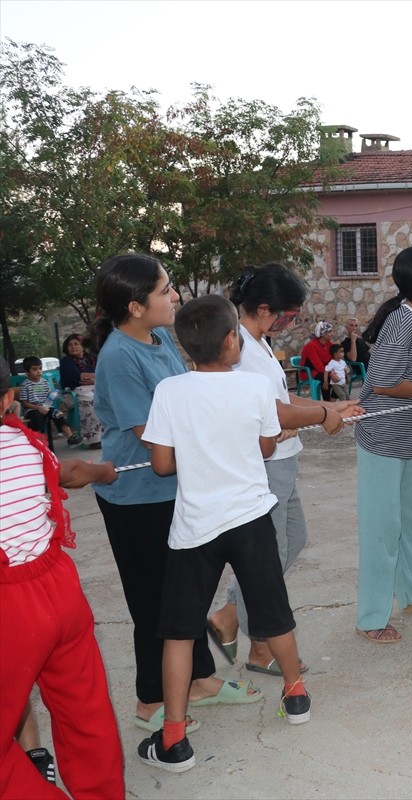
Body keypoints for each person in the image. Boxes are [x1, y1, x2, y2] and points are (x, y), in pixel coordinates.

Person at [139, 294, 310, 772]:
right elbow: (265, 446)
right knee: (275, 613)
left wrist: (198, 451)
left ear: (186, 345)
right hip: (250, 517)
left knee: (178, 632)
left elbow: (161, 464)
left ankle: (174, 738)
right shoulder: (254, 387)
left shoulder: (169, 391)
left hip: (195, 527)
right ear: (232, 340)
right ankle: (296, 695)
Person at [91, 253, 251, 735]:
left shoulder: (160, 339)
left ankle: (199, 679)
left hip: (174, 489)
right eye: (164, 290)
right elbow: (152, 436)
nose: (175, 296)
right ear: (135, 307)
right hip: (136, 497)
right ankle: (149, 700)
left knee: (185, 590)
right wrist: (222, 445)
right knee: (152, 600)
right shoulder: (119, 357)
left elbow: (188, 405)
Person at [207, 263, 362, 677]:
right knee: (267, 557)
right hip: (265, 466)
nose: (290, 323)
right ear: (264, 309)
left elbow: (282, 398)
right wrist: (322, 417)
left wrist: (330, 406)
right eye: (288, 315)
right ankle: (260, 647)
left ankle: (229, 614)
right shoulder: (240, 349)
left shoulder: (258, 342)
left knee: (294, 539)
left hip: (283, 460)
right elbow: (271, 412)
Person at [0, 360, 125, 799]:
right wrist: (103, 471)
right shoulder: (25, 442)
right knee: (85, 711)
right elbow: (69, 473)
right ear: (9, 398)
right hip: (59, 587)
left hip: (9, 611)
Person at [354, 246, 412, 643]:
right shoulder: (402, 320)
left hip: (409, 438)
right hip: (382, 437)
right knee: (383, 526)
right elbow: (382, 383)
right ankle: (371, 616)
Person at [17, 357, 75, 451]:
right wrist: (38, 408)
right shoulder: (25, 385)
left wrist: (53, 396)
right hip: (32, 409)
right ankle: (40, 443)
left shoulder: (45, 382)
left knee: (58, 413)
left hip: (47, 408)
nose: (39, 371)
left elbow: (49, 396)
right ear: (27, 372)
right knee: (37, 417)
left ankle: (70, 437)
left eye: (40, 368)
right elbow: (24, 403)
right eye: (34, 369)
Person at [58, 333, 102, 448]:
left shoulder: (92, 358)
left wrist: (94, 379)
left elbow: (103, 372)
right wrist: (96, 377)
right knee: (91, 400)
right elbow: (80, 377)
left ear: (83, 346)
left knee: (108, 397)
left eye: (76, 344)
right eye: (70, 345)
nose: (73, 347)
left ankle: (107, 435)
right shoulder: (66, 362)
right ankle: (92, 440)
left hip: (93, 388)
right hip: (72, 393)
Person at [301, 321, 335, 400]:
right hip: (310, 372)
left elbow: (333, 360)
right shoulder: (311, 346)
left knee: (340, 374)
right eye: (330, 332)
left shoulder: (329, 344)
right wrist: (330, 373)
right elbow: (318, 365)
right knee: (326, 378)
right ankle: (327, 401)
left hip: (323, 370)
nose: (332, 334)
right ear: (323, 334)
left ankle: (333, 399)